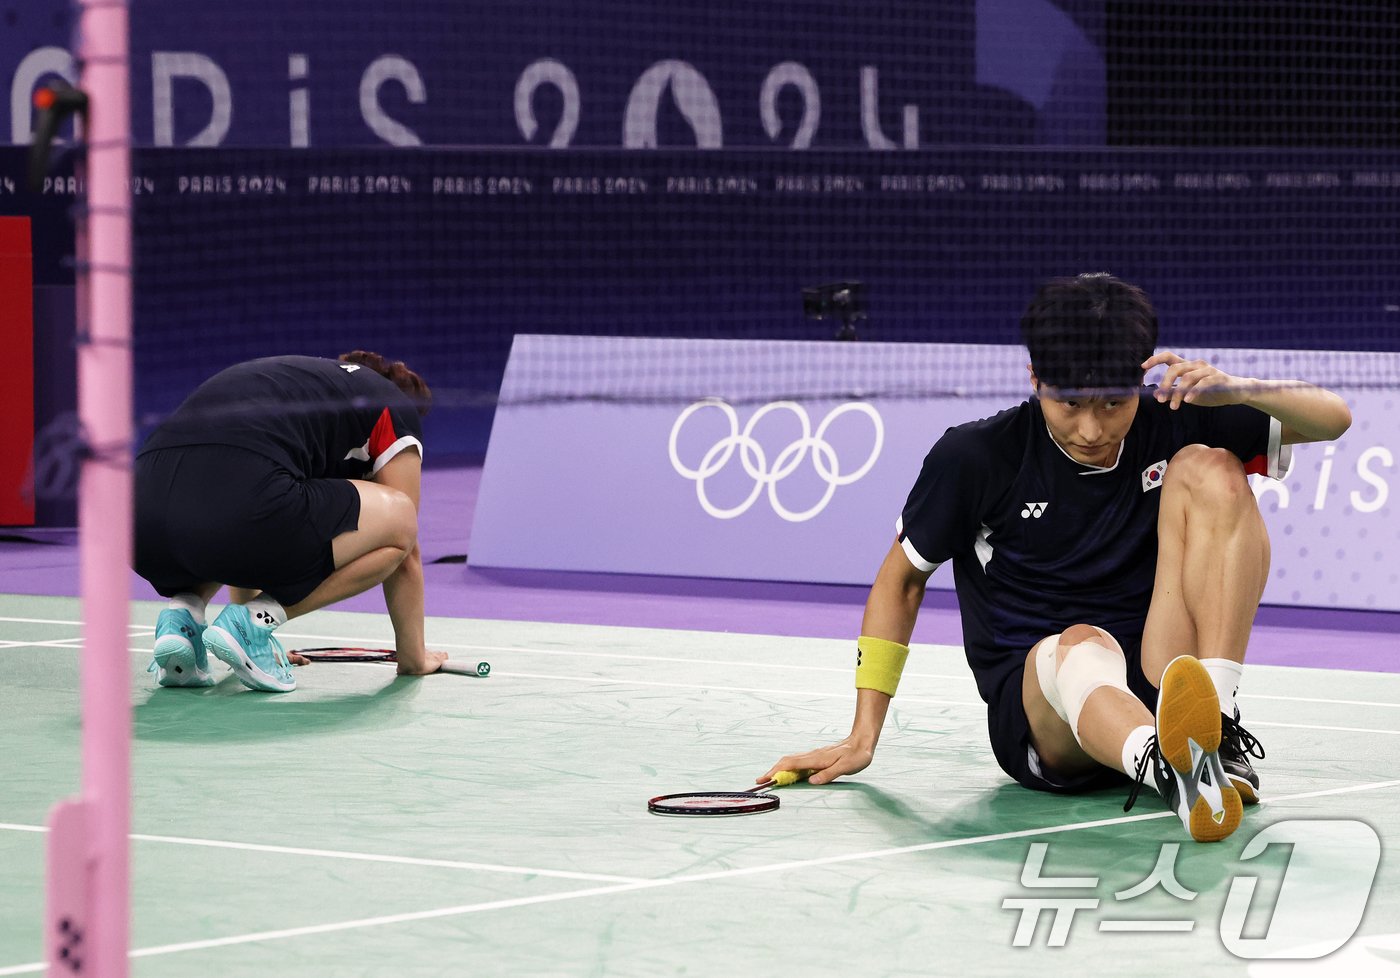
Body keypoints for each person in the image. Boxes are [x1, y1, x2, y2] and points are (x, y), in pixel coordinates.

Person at [763, 273, 1352, 842]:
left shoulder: (1178, 415)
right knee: (1079, 644)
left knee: (1214, 468)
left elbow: (1335, 420)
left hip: (1161, 679)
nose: (1092, 429)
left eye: (1113, 403)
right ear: (1034, 377)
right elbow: (902, 583)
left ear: (1140, 383)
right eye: (1068, 403)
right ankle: (1177, 773)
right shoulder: (978, 457)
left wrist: (1240, 389)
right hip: (1046, 713)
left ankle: (1211, 733)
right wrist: (863, 734)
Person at [134, 352, 448, 692]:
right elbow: (406, 546)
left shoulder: (290, 383)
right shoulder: (391, 405)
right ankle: (256, 624)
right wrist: (414, 658)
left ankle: (183, 617)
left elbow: (246, 534)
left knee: (222, 503)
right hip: (239, 507)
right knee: (399, 519)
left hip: (138, 519)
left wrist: (246, 647)